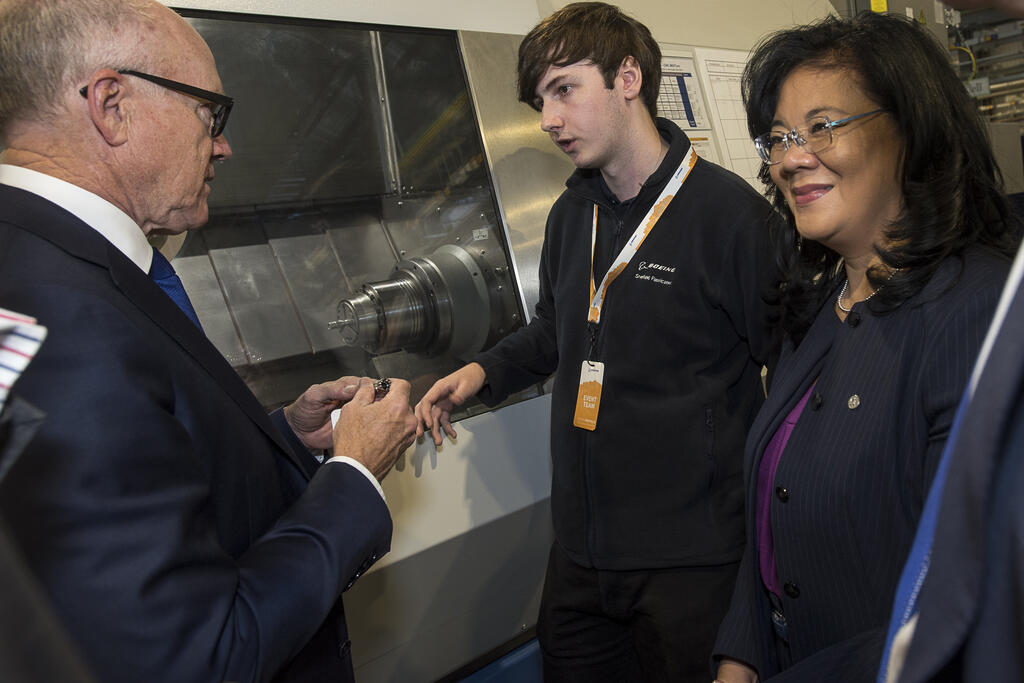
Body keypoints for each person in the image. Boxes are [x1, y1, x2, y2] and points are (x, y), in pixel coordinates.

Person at [0, 2, 418, 682]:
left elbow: (138, 462)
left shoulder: (50, 256)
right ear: (112, 105)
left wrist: (282, 434)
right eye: (208, 112)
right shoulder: (59, 315)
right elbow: (199, 653)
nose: (222, 144)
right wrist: (354, 473)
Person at [415, 3, 781, 681]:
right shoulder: (570, 214)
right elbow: (558, 330)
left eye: (564, 89)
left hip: (690, 562)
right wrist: (480, 371)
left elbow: (792, 379)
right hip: (582, 557)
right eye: (539, 100)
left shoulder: (730, 217)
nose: (548, 118)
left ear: (629, 77)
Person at [711, 11, 1018, 683]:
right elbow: (774, 504)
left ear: (911, 129)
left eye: (823, 126)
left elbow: (965, 599)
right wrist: (739, 653)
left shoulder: (981, 314)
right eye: (780, 136)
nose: (792, 157)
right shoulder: (820, 307)